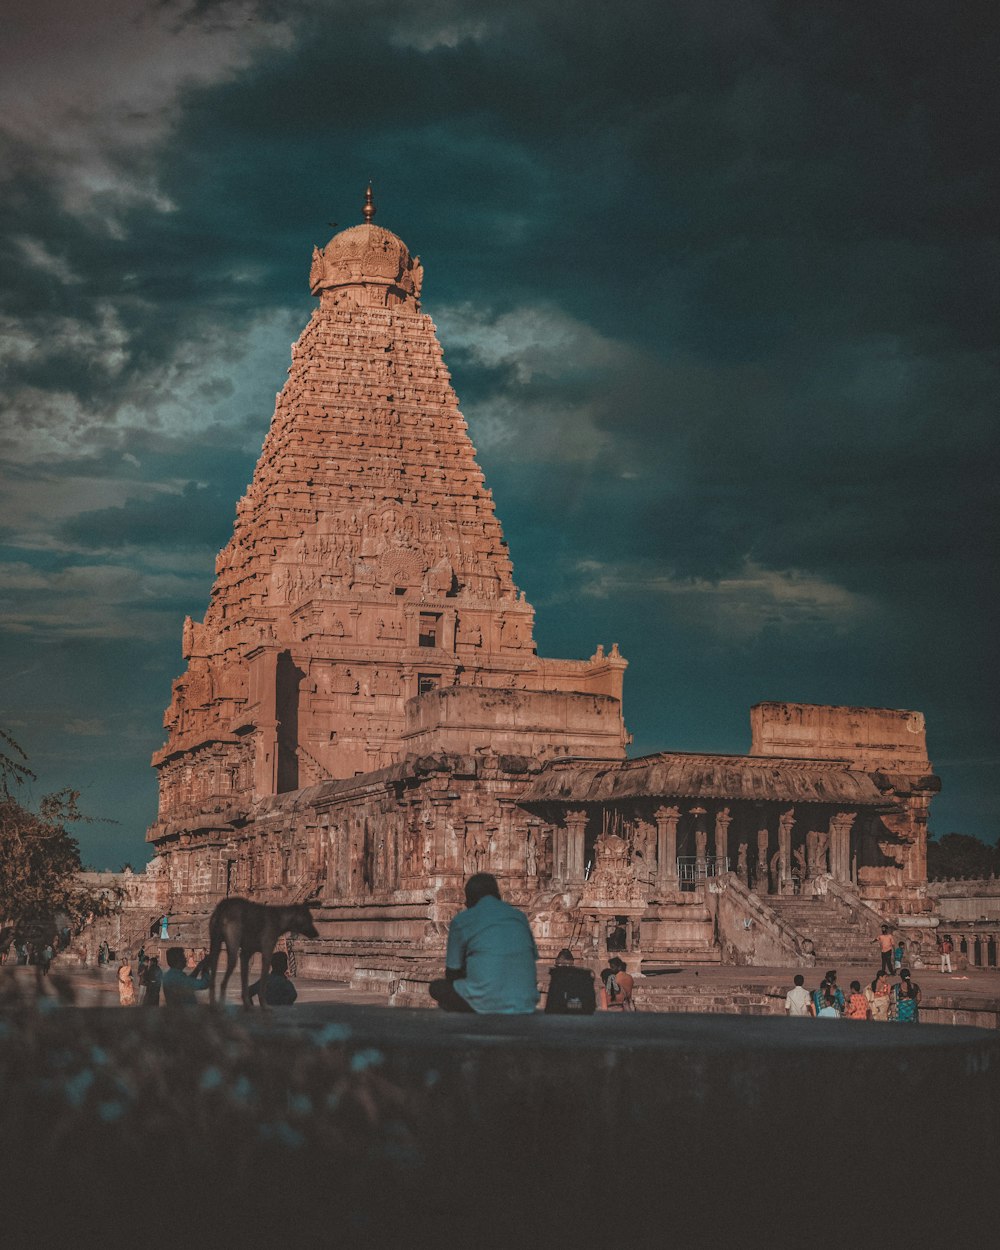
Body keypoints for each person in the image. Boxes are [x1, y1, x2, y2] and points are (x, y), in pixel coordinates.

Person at [428, 873, 539, 1014]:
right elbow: (531, 958)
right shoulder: (519, 917)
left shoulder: (463, 920)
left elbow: (452, 972)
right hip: (525, 1003)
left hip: (485, 1004)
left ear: (469, 900)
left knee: (437, 987)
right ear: (497, 895)